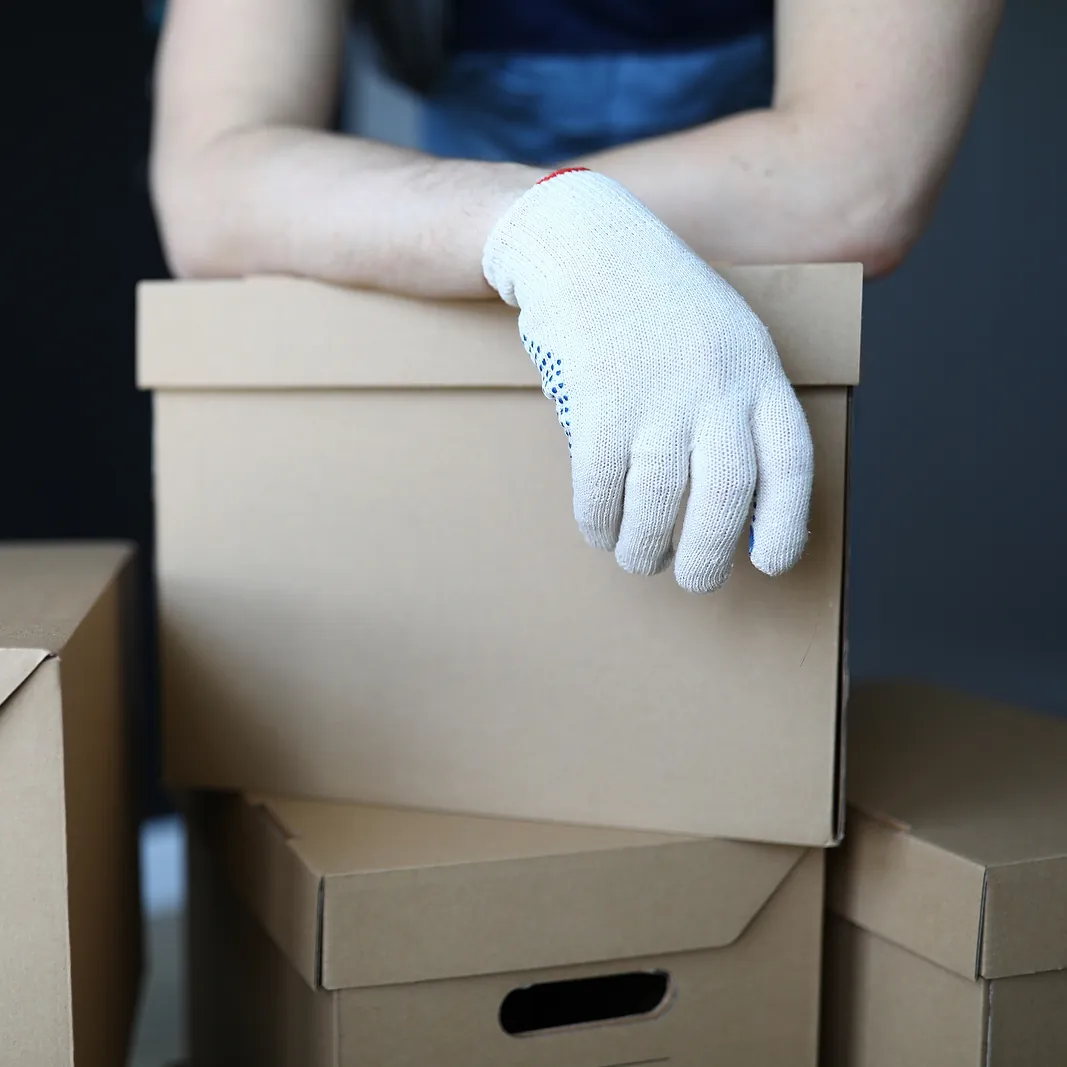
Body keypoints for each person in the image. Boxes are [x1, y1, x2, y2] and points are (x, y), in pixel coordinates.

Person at [148, 0, 1003, 593]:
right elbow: (208, 184)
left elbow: (855, 180)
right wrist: (546, 226)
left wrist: (552, 223)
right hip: (463, 297)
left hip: (739, 317)